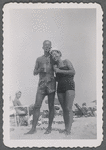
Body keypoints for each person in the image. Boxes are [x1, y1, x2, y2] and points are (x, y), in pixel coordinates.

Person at [26, 40, 56, 134]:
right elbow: (34, 72)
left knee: (51, 106)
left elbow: (59, 69)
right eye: (45, 45)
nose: (47, 47)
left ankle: (49, 128)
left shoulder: (54, 58)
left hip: (51, 84)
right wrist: (40, 69)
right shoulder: (39, 59)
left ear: (51, 47)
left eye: (49, 45)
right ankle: (33, 128)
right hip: (41, 85)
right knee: (37, 106)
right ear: (42, 47)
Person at [51, 50, 75, 135]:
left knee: (68, 108)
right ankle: (66, 128)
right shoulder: (54, 66)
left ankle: (69, 129)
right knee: (64, 109)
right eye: (52, 55)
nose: (54, 56)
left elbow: (73, 72)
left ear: (60, 54)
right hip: (60, 88)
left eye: (55, 54)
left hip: (69, 85)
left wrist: (59, 71)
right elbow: (57, 78)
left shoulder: (66, 61)